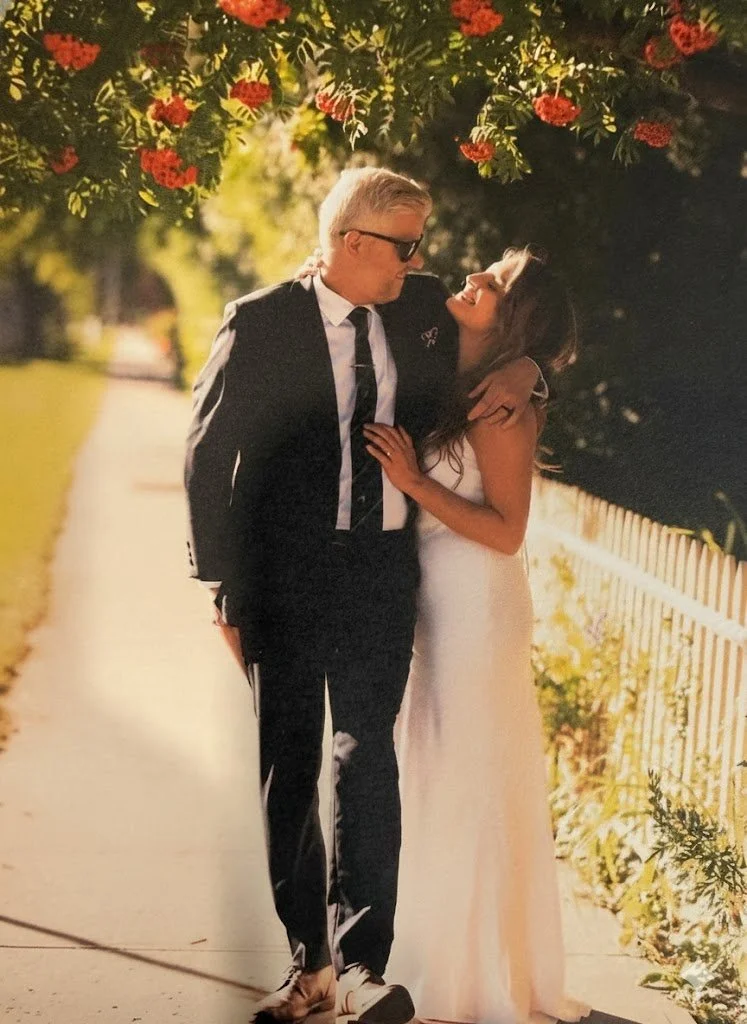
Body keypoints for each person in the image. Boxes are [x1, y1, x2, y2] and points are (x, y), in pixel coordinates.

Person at [184, 168, 546, 1024]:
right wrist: (221, 582)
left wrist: (532, 367)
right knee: (289, 762)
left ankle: (359, 966)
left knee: (364, 755)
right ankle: (305, 963)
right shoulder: (261, 322)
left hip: (381, 574)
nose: (418, 262)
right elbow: (208, 453)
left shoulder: (418, 311)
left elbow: (518, 337)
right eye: (404, 245)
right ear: (353, 243)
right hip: (279, 577)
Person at [364, 249, 590, 1024]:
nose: (476, 276)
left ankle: (473, 979)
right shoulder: (456, 368)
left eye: (496, 279)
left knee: (468, 781)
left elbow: (507, 532)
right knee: (434, 773)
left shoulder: (505, 407)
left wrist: (416, 482)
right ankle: (433, 959)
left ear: (515, 318)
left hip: (477, 609)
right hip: (436, 606)